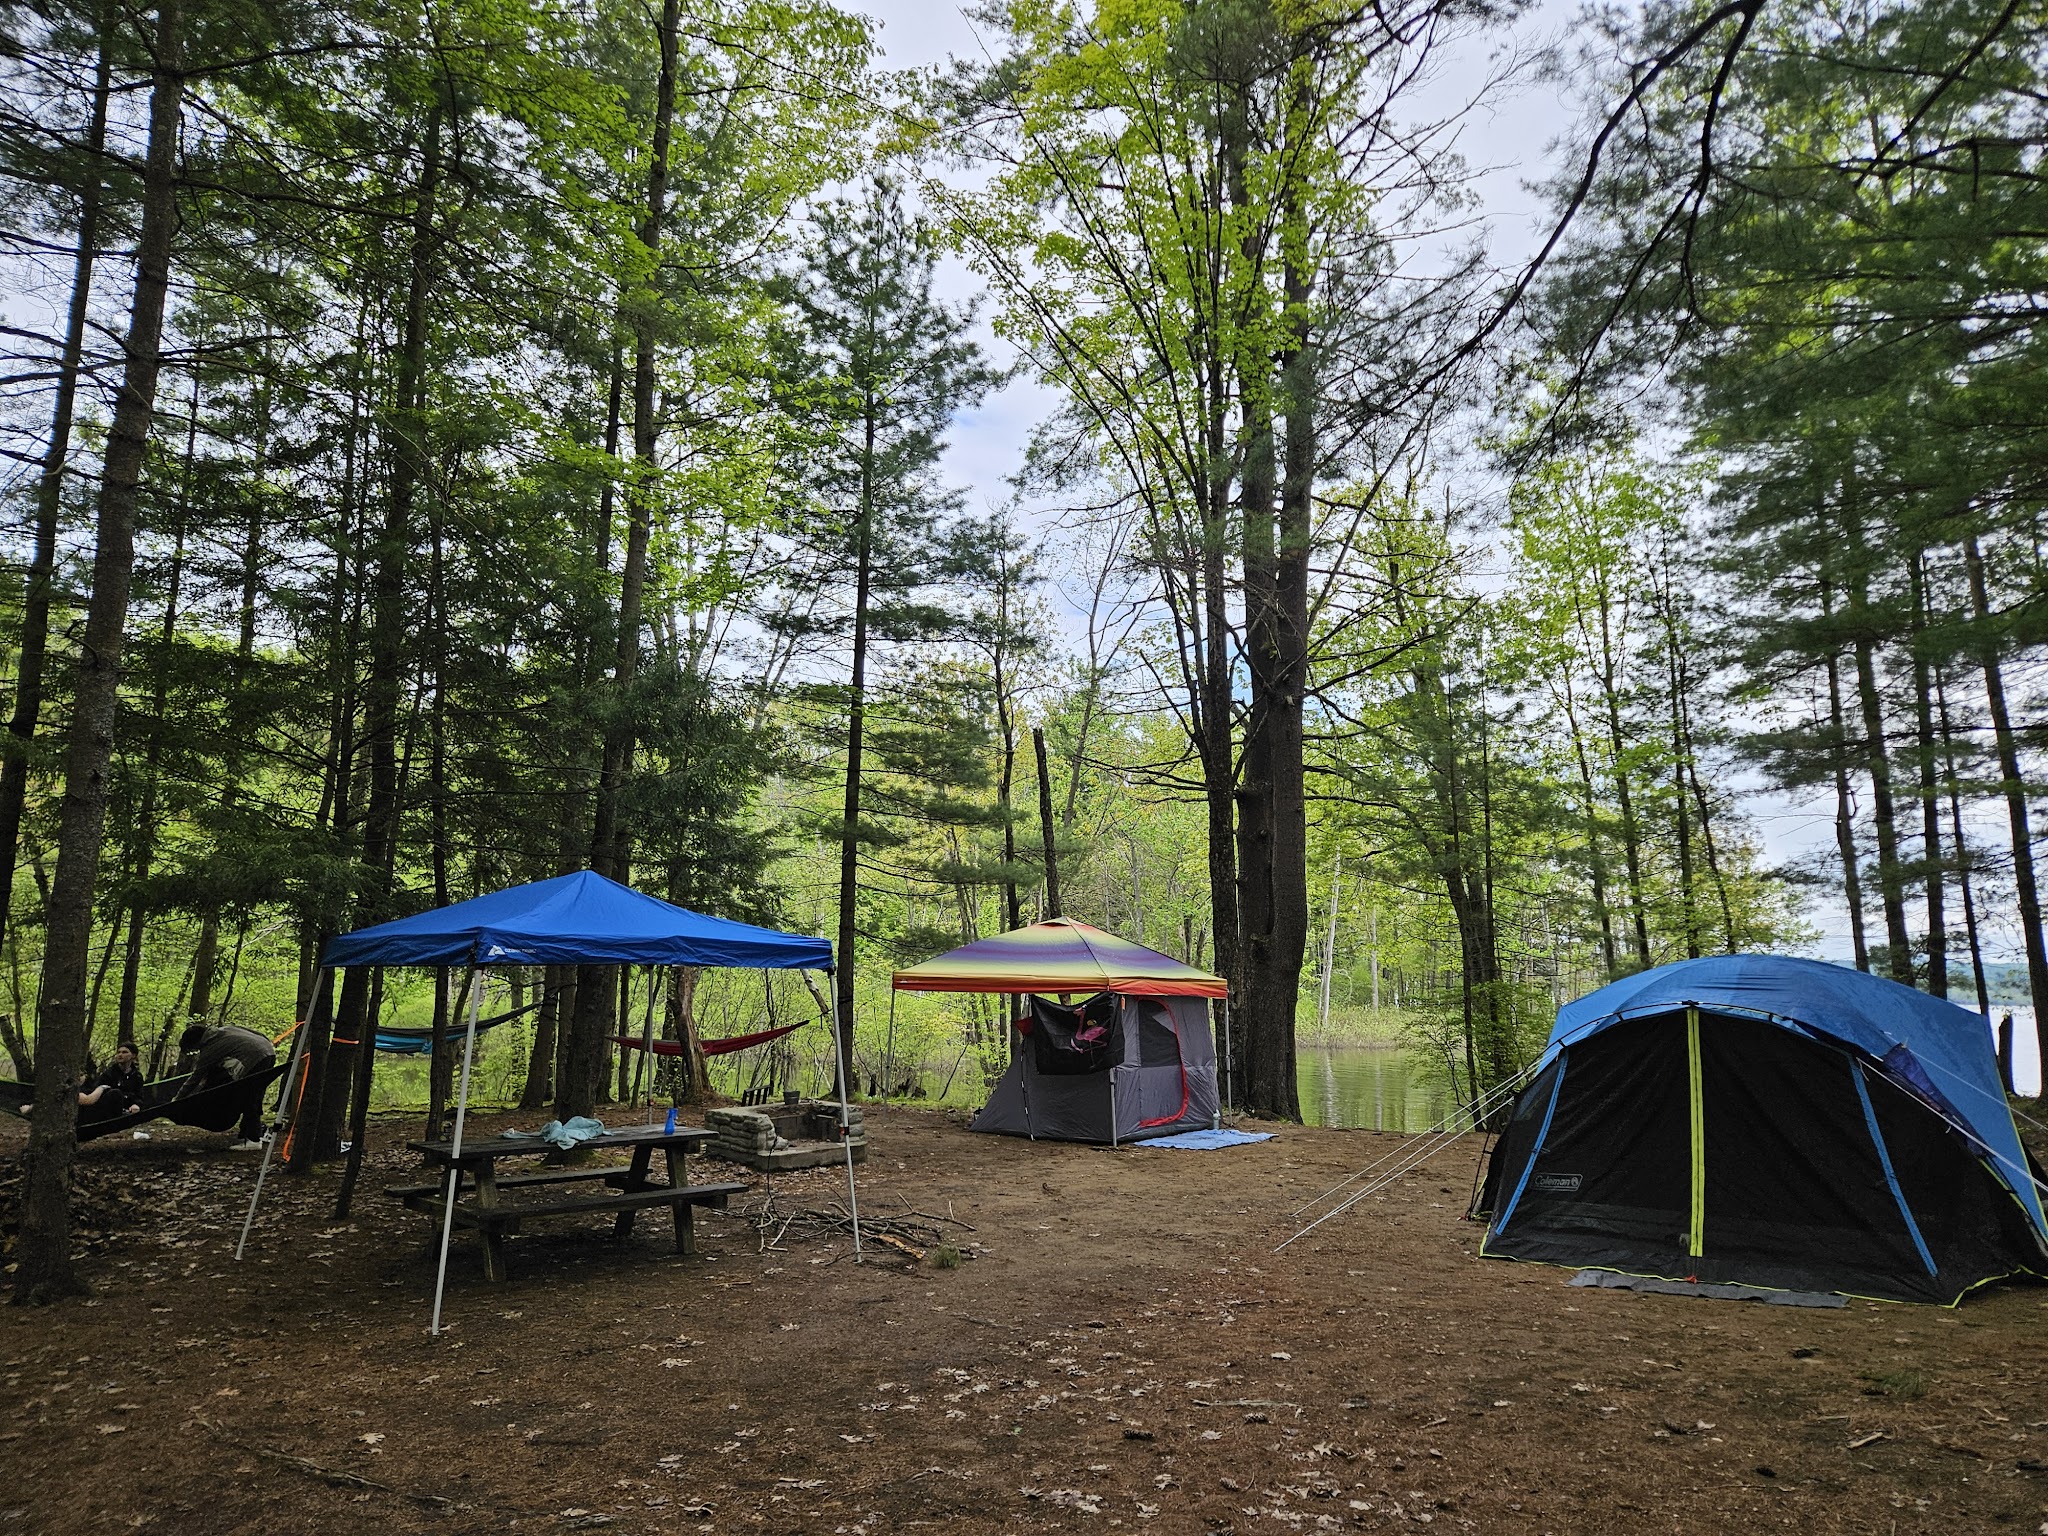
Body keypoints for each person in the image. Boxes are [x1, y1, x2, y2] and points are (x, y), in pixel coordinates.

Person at [176, 1022, 276, 1148]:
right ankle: (248, 1134)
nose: (197, 1051)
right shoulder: (226, 1029)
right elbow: (258, 1034)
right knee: (254, 1095)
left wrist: (177, 1100)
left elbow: (195, 1077)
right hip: (269, 1052)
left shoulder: (211, 1047)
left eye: (194, 1049)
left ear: (197, 1042)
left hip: (256, 1059)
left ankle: (253, 1139)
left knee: (250, 1097)